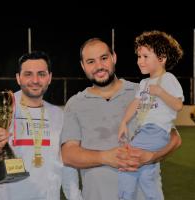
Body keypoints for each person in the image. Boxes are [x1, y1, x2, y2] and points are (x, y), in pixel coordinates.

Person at [60, 37, 182, 200]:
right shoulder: (75, 104)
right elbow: (68, 154)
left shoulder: (143, 91)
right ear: (83, 66)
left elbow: (174, 138)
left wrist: (151, 157)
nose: (99, 66)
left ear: (114, 57)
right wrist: (105, 157)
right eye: (90, 62)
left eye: (104, 58)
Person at [0, 51, 83, 200]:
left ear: (49, 77)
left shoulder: (59, 116)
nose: (35, 80)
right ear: (18, 78)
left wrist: (75, 197)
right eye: (28, 74)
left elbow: (67, 168)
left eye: (41, 74)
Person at [117, 30, 184, 200]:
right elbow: (136, 103)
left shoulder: (168, 79)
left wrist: (161, 92)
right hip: (144, 130)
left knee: (127, 161)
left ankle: (125, 197)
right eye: (139, 57)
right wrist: (124, 122)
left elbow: (178, 105)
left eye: (145, 56)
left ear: (161, 58)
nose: (140, 61)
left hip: (157, 131)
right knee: (147, 176)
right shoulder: (144, 82)